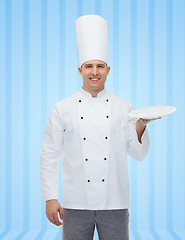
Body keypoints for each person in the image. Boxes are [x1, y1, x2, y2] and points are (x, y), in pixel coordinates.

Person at [39, 15, 159, 240]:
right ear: (80, 70)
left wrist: (141, 126)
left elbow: (138, 154)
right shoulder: (62, 108)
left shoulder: (125, 107)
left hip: (115, 202)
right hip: (75, 202)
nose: (94, 72)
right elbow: (48, 156)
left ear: (108, 69)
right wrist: (50, 197)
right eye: (89, 66)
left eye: (100, 66)